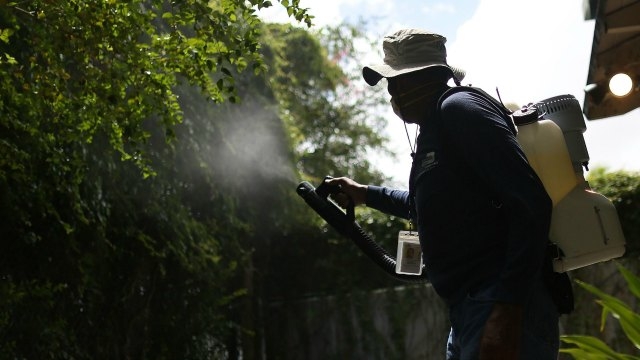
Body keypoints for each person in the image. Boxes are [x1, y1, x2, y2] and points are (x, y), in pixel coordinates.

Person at [327, 29, 571, 360]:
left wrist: (508, 309)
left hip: (502, 302)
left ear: (423, 77)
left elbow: (530, 201)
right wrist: (364, 194)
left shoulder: (459, 109)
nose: (392, 93)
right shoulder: (434, 129)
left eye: (395, 81)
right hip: (471, 309)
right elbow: (424, 206)